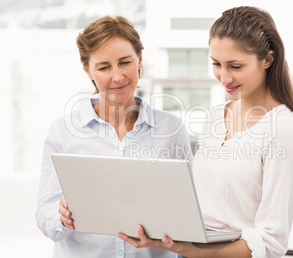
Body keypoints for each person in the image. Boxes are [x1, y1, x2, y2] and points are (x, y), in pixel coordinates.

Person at [118, 6, 293, 258]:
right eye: (216, 64)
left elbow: (271, 243)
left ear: (268, 60)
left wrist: (195, 252)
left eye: (236, 66)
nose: (224, 77)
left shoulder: (282, 128)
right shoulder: (218, 118)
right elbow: (206, 209)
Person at [35, 15, 192, 258]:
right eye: (104, 67)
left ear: (140, 60)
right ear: (88, 71)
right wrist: (62, 216)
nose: (117, 76)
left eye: (124, 62)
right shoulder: (63, 131)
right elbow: (45, 215)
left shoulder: (172, 130)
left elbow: (188, 214)